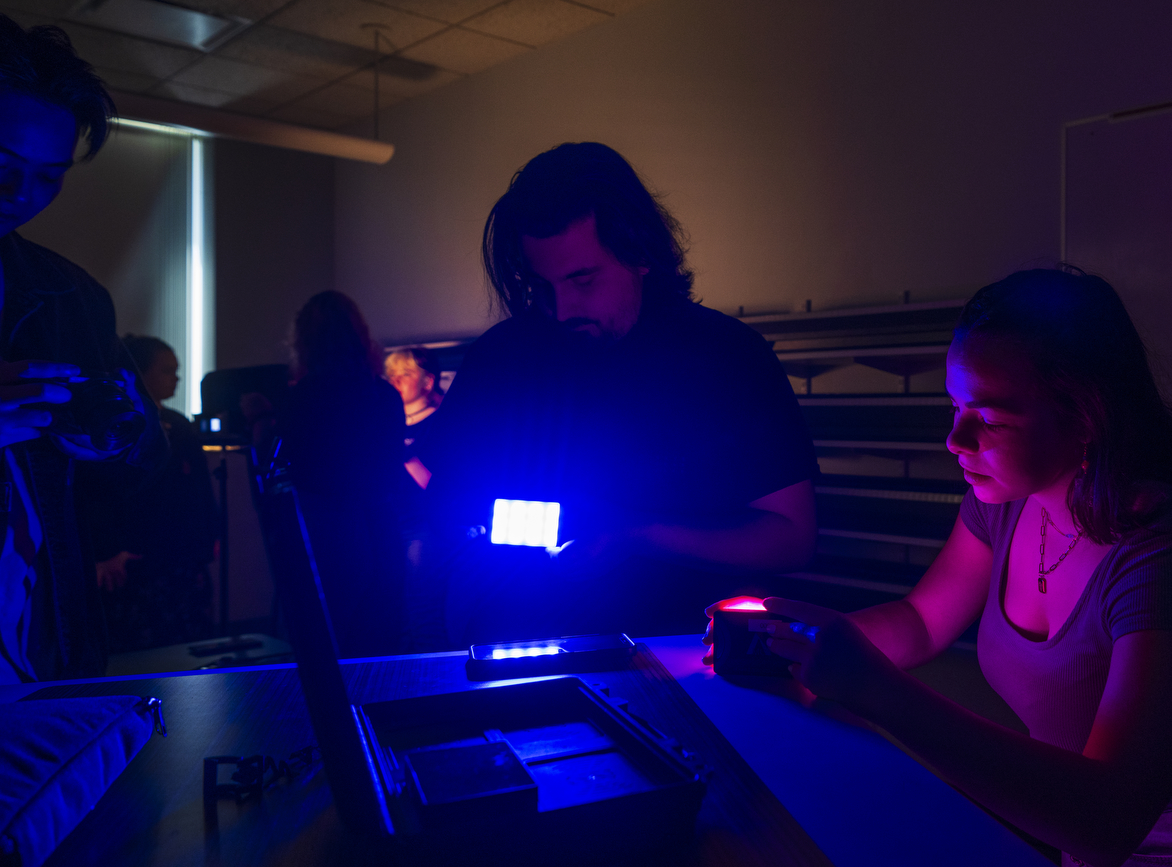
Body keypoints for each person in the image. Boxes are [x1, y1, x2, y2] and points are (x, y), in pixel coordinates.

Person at [724, 268, 1172, 867]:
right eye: (955, 408)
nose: (956, 441)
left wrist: (872, 689)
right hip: (1081, 862)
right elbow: (924, 620)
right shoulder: (1006, 503)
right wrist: (793, 642)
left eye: (991, 418)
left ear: (1087, 413)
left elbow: (1108, 817)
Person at [415, 142, 817, 646]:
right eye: (541, 286)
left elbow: (791, 538)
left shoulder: (727, 356)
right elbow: (444, 506)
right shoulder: (501, 357)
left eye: (582, 279)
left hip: (684, 667)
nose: (561, 309)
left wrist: (632, 531)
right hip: (511, 657)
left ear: (640, 252)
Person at [0, 16, 166, 682]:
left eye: (49, 178)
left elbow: (141, 460)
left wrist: (121, 433)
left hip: (40, 649)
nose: (20, 198)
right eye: (3, 166)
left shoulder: (71, 295)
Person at [271, 290, 407, 658]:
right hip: (380, 526)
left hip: (323, 530)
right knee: (378, 646)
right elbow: (392, 468)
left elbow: (290, 472)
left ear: (305, 341)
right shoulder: (384, 394)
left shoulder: (298, 399)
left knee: (322, 648)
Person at [92, 335, 218, 650]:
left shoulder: (180, 425)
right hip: (139, 559)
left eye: (176, 371)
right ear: (139, 372)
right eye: (166, 370)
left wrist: (208, 536)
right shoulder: (118, 424)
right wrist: (109, 548)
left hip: (180, 555)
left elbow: (200, 488)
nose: (175, 378)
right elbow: (103, 492)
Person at [384, 346, 443, 491]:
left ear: (428, 381)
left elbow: (442, 488)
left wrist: (404, 454)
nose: (395, 381)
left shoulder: (442, 423)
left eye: (406, 374)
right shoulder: (385, 421)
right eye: (392, 374)